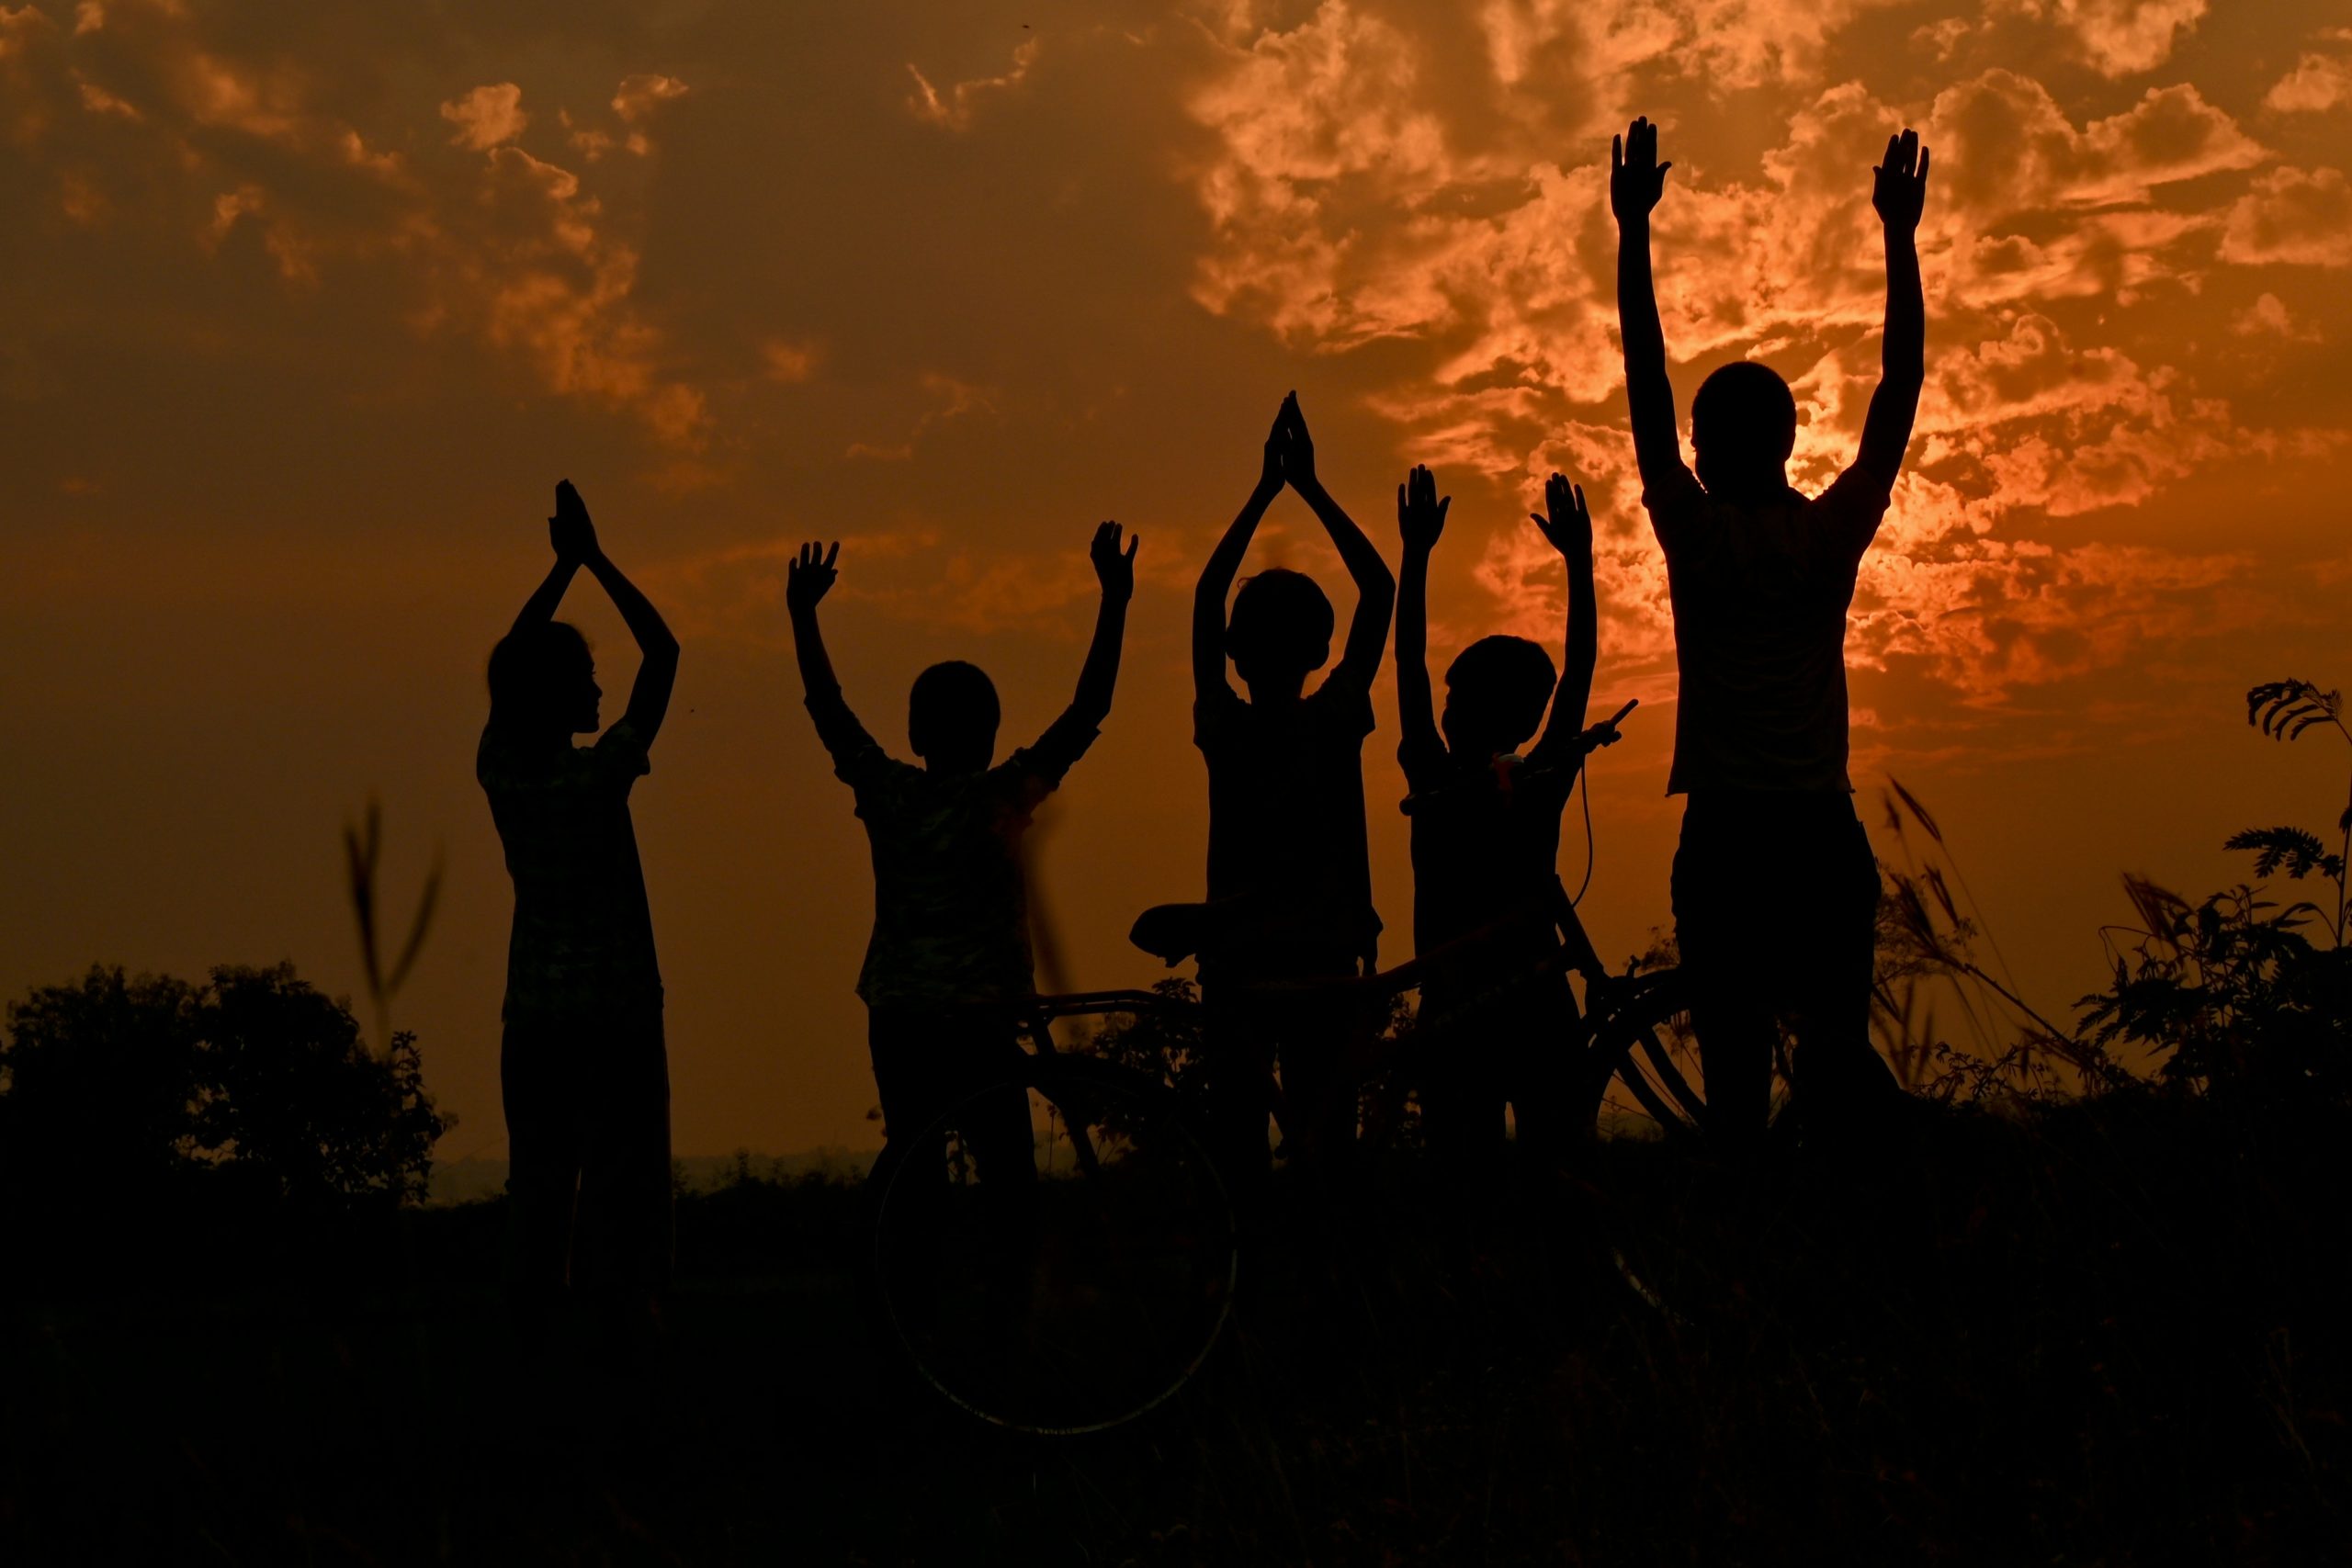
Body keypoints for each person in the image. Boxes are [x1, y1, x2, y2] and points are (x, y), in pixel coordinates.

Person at [1611, 116, 1930, 1145]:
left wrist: (1633, 233)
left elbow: (1645, 383)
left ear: (1702, 449)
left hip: (1728, 835)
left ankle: (1745, 1256)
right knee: (1833, 1065)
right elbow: (1896, 395)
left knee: (1737, 1091)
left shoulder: (1694, 537)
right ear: (1790, 443)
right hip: (1815, 831)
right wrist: (1898, 236)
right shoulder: (1824, 541)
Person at [786, 521, 1136, 1277]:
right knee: (1010, 1184)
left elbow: (829, 710)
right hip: (978, 1021)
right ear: (992, 732)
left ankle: (915, 1323)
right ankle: (996, 1328)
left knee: (916, 1176)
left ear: (915, 733)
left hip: (901, 1016)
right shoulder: (1000, 799)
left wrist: (803, 615)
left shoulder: (893, 794)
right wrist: (1115, 600)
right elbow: (1088, 712)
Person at [479, 479, 680, 1341]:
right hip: (616, 1015)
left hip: (533, 1016)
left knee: (540, 1179)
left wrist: (559, 573)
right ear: (560, 698)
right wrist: (593, 560)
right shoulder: (600, 776)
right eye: (588, 680)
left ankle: (531, 1327)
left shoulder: (502, 770)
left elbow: (511, 663)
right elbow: (664, 654)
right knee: (621, 1176)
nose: (601, 691)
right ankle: (617, 1322)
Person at [1189, 392, 1395, 1190]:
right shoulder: (1336, 718)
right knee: (1327, 1150)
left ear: (1237, 653)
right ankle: (1321, 1288)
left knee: (1237, 1154)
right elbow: (1378, 589)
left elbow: (1206, 601)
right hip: (1321, 955)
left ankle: (1247, 1291)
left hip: (1240, 961)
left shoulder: (1225, 728)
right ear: (1321, 647)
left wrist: (1265, 491)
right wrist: (1307, 487)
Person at [1395, 464, 1611, 1191]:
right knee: (1548, 1180)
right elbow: (1579, 667)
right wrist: (1579, 563)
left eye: (1457, 698)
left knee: (1478, 1188)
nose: (1446, 707)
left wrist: (1418, 554)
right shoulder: (1525, 779)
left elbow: (1409, 667)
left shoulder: (1446, 774)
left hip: (1479, 1003)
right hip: (1511, 1003)